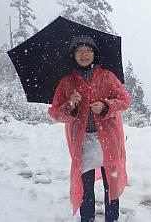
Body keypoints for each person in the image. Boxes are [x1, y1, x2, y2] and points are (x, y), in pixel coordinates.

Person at [48, 35, 130, 222]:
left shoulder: (107, 76)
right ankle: (87, 218)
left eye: (88, 51)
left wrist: (106, 105)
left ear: (95, 54)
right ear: (73, 55)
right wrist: (70, 105)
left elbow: (125, 100)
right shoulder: (67, 81)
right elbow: (55, 112)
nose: (84, 55)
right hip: (82, 142)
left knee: (112, 183)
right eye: (79, 51)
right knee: (85, 186)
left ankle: (112, 218)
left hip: (108, 139)